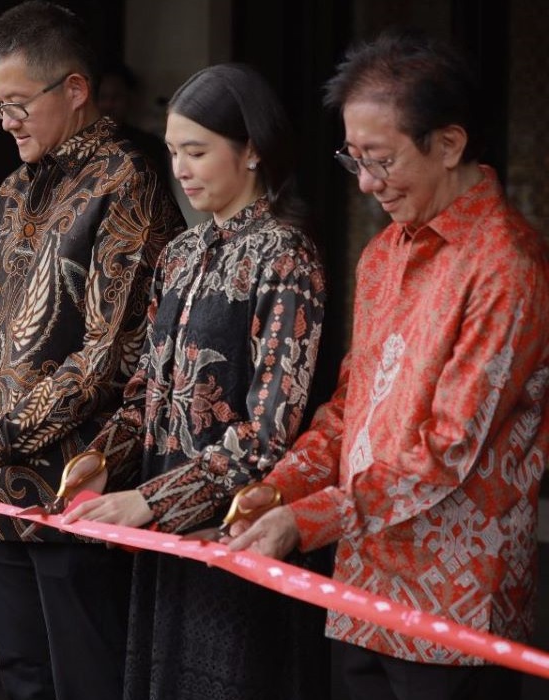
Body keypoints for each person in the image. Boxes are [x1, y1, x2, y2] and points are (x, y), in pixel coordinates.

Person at [228, 31, 549, 700]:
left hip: (454, 608)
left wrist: (307, 520)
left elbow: (450, 444)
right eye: (354, 160)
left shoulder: (506, 264)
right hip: (362, 588)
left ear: (450, 144)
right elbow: (349, 408)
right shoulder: (382, 255)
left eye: (382, 160)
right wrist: (279, 490)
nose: (368, 183)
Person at [0, 3, 185, 699]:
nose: (6, 120)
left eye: (18, 103)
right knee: (21, 679)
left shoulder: (128, 181)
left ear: (75, 89)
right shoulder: (13, 187)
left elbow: (104, 360)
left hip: (75, 495)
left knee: (84, 681)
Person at [62, 63, 328, 700]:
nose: (180, 168)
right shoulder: (179, 255)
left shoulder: (287, 255)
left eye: (198, 151)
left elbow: (268, 436)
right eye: (174, 151)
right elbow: (144, 396)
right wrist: (104, 459)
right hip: (165, 533)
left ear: (254, 151)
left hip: (237, 534)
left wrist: (154, 503)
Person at [96, 63, 171, 184]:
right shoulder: (80, 146)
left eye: (117, 97)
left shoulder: (150, 145)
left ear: (130, 99)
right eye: (103, 97)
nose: (109, 104)